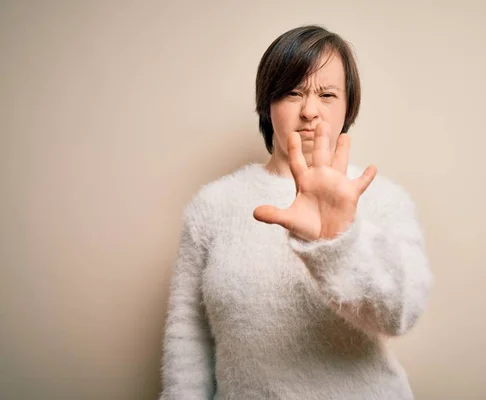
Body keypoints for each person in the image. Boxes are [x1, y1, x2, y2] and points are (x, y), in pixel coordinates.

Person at [159, 25, 434, 400]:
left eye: (327, 95)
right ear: (267, 104)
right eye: (292, 93)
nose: (309, 111)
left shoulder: (382, 198)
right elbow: (188, 337)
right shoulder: (213, 206)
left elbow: (399, 316)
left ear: (348, 107)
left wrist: (337, 240)